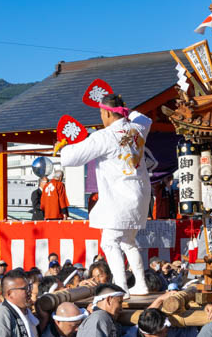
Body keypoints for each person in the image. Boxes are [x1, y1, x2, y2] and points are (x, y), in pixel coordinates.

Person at [57, 93, 153, 295]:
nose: (101, 117)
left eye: (102, 112)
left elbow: (70, 157)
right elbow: (145, 118)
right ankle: (141, 284)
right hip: (140, 195)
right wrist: (125, 109)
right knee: (128, 241)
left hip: (120, 197)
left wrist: (63, 148)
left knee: (110, 242)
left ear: (107, 113)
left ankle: (121, 287)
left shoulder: (105, 136)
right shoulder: (138, 129)